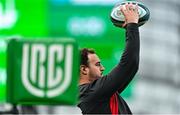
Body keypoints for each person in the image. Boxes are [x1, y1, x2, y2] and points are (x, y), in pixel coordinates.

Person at [77, 3, 140, 114]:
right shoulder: (90, 93)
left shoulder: (99, 93)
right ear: (84, 69)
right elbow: (129, 64)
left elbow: (130, 68)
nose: (103, 68)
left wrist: (130, 26)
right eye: (97, 64)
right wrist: (132, 24)